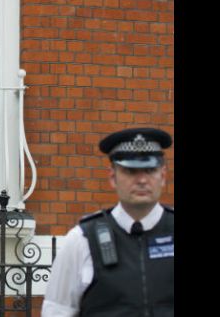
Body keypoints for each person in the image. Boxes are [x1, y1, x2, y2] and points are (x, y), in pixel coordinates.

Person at [42, 128, 174, 317]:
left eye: (150, 169)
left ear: (163, 175)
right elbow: (57, 311)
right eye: (131, 171)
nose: (142, 180)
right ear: (112, 177)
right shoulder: (82, 240)